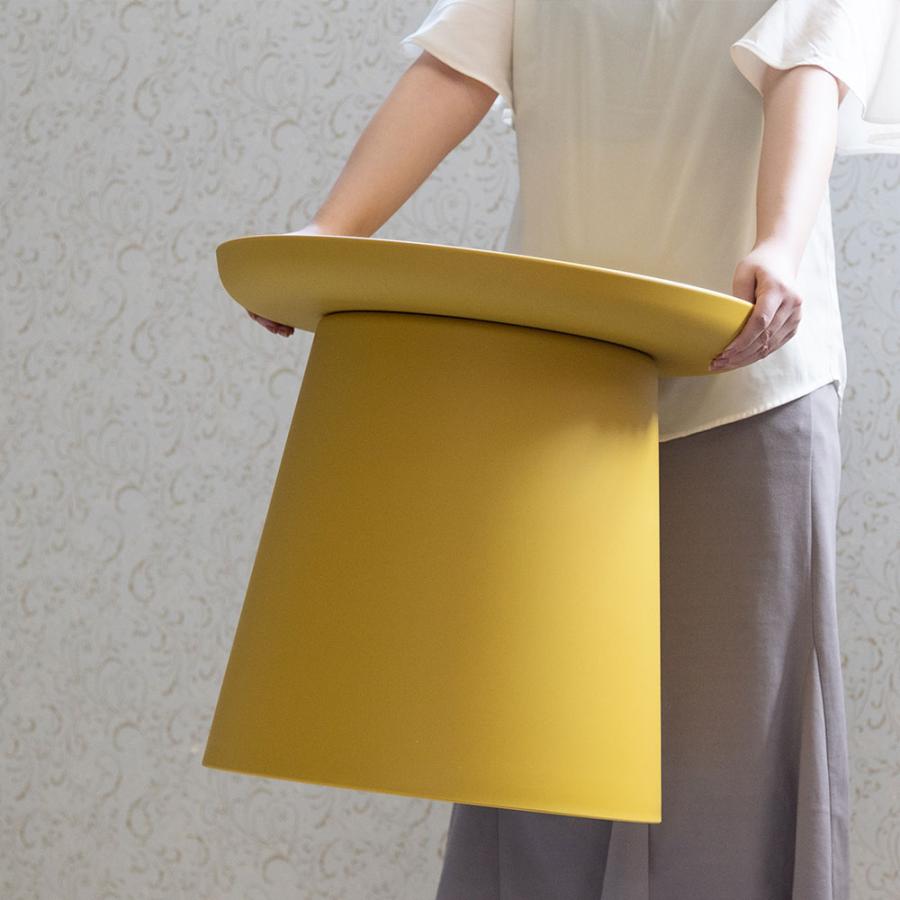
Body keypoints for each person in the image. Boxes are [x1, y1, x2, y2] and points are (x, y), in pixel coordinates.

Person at [249, 1, 900, 897]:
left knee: (729, 768)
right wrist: (333, 231)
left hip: (745, 372)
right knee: (535, 755)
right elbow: (459, 66)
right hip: (557, 371)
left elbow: (809, 67)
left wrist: (779, 245)